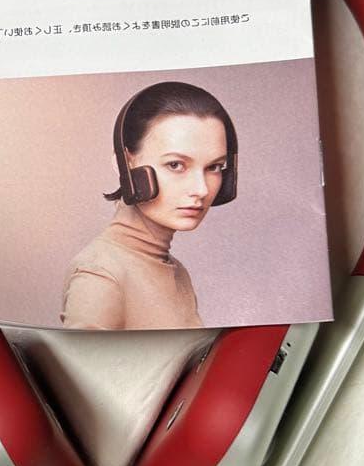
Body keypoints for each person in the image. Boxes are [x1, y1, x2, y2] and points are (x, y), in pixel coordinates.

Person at [61, 81, 238, 330]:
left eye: (214, 167)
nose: (202, 189)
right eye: (175, 165)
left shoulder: (177, 272)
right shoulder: (101, 276)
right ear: (125, 164)